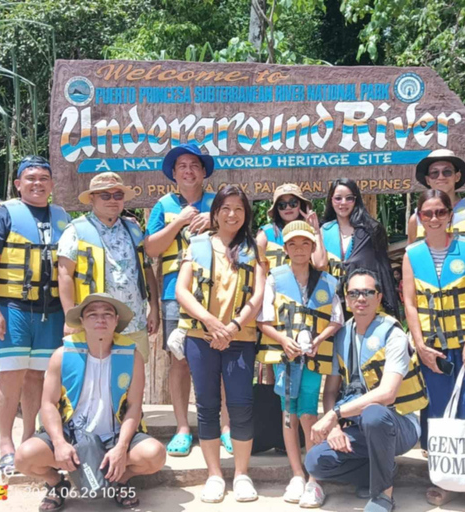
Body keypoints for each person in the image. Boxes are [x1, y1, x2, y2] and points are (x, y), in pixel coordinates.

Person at [14, 293, 166, 510]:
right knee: (23, 457)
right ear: (82, 321)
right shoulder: (62, 354)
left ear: (116, 321)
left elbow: (134, 406)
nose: (100, 319)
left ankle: (120, 480)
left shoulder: (132, 356)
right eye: (92, 314)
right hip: (71, 434)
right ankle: (57, 484)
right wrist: (58, 443)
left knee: (155, 455)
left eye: (107, 314)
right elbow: (47, 404)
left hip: (114, 434)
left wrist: (122, 447)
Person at [305, 268, 427, 512]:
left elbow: (387, 394)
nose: (361, 298)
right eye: (354, 293)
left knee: (374, 413)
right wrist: (336, 428)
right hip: (359, 425)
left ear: (379, 297)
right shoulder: (342, 335)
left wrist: (334, 416)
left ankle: (383, 495)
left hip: (398, 423)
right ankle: (375, 473)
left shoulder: (392, 333)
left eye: (368, 292)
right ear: (347, 299)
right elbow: (331, 391)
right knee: (315, 462)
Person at [0, 155, 71, 474]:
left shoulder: (63, 218)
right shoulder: (3, 216)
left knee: (39, 376)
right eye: (30, 178)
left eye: (43, 178)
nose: (37, 183)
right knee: (12, 375)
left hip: (51, 310)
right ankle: (6, 444)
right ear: (18, 184)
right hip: (13, 307)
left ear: (51, 184)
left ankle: (30, 438)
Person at [402, 189, 465, 512]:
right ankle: (444, 479)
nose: (434, 218)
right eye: (428, 213)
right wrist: (420, 345)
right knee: (439, 412)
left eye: (441, 212)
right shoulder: (412, 254)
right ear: (420, 218)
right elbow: (410, 303)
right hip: (432, 349)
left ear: (450, 215)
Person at [175, 185, 265, 503]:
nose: (232, 214)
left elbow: (257, 295)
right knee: (207, 406)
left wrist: (233, 325)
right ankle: (215, 474)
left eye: (239, 209)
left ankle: (241, 474)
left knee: (241, 407)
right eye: (225, 208)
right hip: (202, 337)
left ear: (246, 214)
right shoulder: (197, 244)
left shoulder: (253, 249)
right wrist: (212, 323)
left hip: (240, 338)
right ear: (215, 212)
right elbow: (182, 291)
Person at [144, 143, 225, 457]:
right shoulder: (162, 205)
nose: (188, 170)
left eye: (194, 165)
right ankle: (182, 428)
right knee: (179, 361)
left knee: (219, 358)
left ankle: (224, 427)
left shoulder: (219, 203)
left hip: (218, 293)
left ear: (203, 172)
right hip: (173, 293)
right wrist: (179, 221)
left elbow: (239, 235)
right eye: (182, 166)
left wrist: (214, 221)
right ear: (173, 174)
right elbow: (151, 249)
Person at [257, 220, 343, 508]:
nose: (299, 249)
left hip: (314, 360)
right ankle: (296, 473)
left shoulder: (329, 282)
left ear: (313, 247)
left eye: (305, 243)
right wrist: (284, 340)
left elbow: (336, 320)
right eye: (292, 244)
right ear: (285, 249)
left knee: (308, 413)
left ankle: (314, 478)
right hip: (287, 358)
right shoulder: (275, 278)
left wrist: (319, 339)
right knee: (287, 412)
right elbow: (264, 322)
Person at [57, 172, 159, 363]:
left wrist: (154, 308)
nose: (112, 200)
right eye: (105, 195)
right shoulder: (75, 230)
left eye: (118, 195)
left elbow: (146, 269)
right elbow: (64, 275)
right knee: (94, 381)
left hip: (135, 322)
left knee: (134, 382)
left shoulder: (134, 229)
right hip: (94, 323)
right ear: (92, 199)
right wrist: (69, 318)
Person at [320, 179, 399, 317]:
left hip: (362, 302)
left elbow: (383, 270)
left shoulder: (371, 230)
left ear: (356, 200)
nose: (343, 203)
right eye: (338, 198)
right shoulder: (323, 231)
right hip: (330, 303)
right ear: (331, 200)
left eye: (349, 198)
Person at [256, 183, 326, 273]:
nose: (288, 207)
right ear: (276, 209)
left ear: (301, 205)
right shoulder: (265, 234)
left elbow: (320, 265)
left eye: (293, 203)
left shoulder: (312, 232)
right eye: (282, 205)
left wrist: (315, 231)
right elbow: (256, 269)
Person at [408, 149, 465, 243]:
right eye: (434, 173)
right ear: (427, 180)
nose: (441, 177)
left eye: (447, 172)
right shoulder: (417, 217)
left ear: (457, 176)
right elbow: (411, 254)